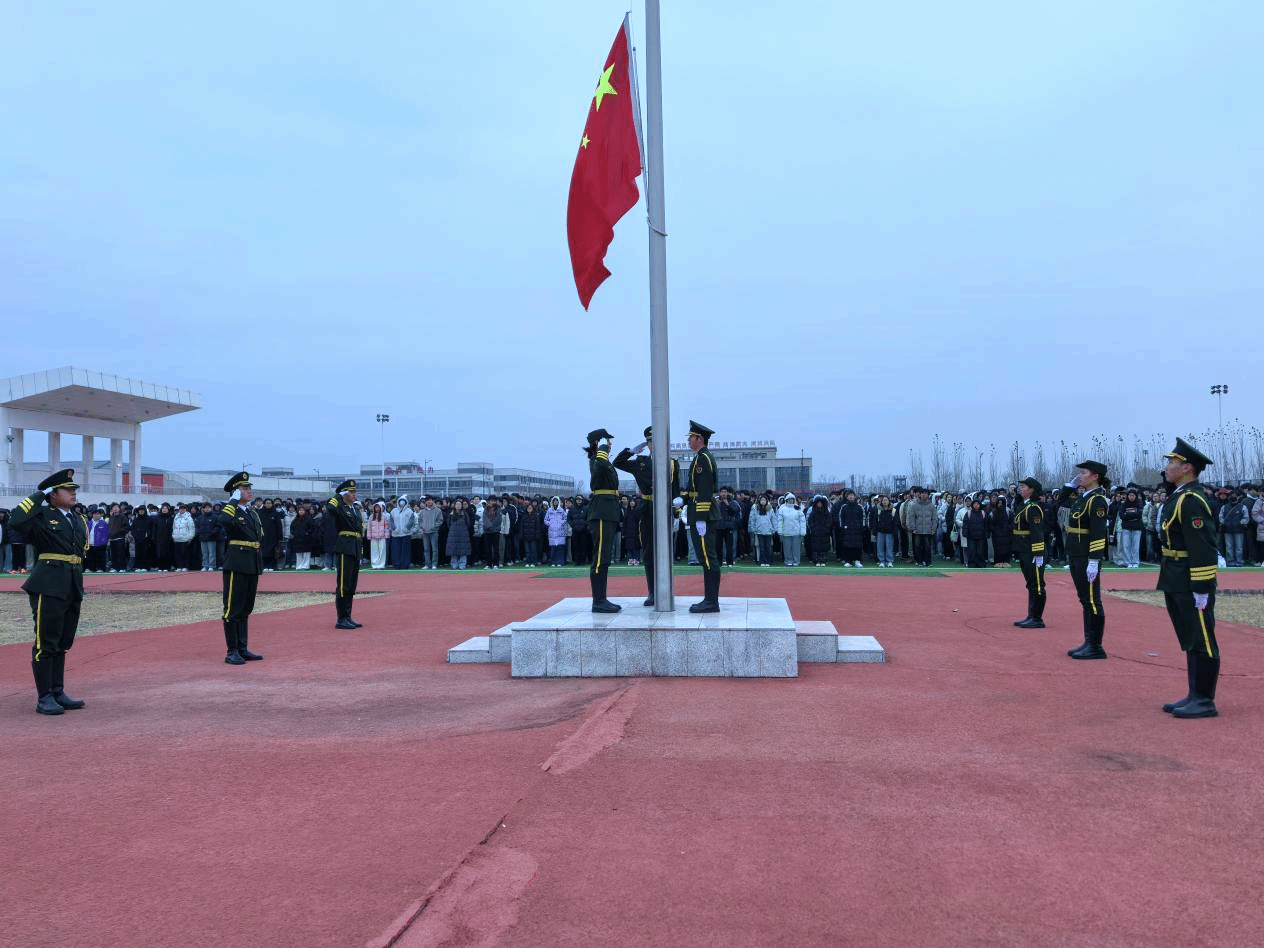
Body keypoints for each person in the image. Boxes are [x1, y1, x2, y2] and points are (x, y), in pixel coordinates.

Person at [11, 469, 89, 714]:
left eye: (74, 489)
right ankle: (44, 697)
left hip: (72, 583)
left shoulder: (77, 519)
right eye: (67, 489)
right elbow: (15, 520)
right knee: (46, 641)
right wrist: (38, 495)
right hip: (49, 583)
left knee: (63, 640)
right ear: (53, 494)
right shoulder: (42, 515)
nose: (73, 493)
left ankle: (57, 691)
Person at [1157, 439, 1221, 718]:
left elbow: (1203, 547)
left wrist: (1202, 586)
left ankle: (1204, 699)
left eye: (1173, 462)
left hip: (1189, 577)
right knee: (1190, 636)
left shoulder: (1191, 500)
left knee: (1202, 636)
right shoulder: (1180, 495)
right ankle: (1194, 693)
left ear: (1187, 468)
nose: (1167, 467)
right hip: (1175, 574)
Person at [613, 425, 680, 605]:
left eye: (656, 441)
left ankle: (666, 590)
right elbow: (617, 463)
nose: (654, 444)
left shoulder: (672, 463)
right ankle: (652, 592)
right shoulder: (640, 462)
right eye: (650, 441)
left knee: (665, 551)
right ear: (647, 444)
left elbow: (676, 489)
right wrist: (630, 452)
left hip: (664, 507)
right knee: (649, 552)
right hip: (648, 508)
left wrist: (677, 508)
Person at [1062, 460, 1111, 660]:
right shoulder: (1084, 497)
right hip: (1076, 553)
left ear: (1095, 476)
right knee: (1085, 599)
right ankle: (1088, 641)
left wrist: (1094, 559)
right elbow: (1062, 503)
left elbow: (1098, 532)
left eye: (1084, 473)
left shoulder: (1097, 500)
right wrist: (1069, 487)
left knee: (1092, 599)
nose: (1080, 476)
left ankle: (1095, 646)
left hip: (1086, 555)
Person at [216, 472, 264, 665]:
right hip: (237, 562)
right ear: (235, 492)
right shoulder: (232, 510)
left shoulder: (251, 512)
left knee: (246, 608)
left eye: (249, 487)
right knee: (233, 609)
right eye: (244, 488)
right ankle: (232, 651)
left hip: (252, 562)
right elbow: (224, 521)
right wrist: (233, 502)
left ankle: (242, 648)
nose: (249, 491)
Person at [683, 420, 721, 612]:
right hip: (699, 512)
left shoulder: (703, 459)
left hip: (703, 514)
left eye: (691, 437)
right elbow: (694, 488)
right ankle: (709, 599)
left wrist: (700, 517)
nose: (689, 440)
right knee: (705, 557)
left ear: (700, 438)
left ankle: (711, 601)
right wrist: (682, 498)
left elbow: (705, 490)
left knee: (707, 558)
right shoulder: (700, 457)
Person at [585, 428, 622, 612]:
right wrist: (602, 450)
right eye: (606, 441)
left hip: (608, 511)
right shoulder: (597, 460)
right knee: (600, 557)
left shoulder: (603, 461)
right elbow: (599, 466)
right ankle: (598, 601)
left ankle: (602, 599)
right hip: (601, 512)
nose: (610, 444)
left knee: (605, 557)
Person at [326, 479, 364, 629]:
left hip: (355, 547)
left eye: (355, 492)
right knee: (343, 584)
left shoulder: (355, 509)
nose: (354, 494)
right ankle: (341, 618)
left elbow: (359, 529)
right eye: (351, 492)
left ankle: (348, 616)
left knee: (351, 584)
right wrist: (338, 495)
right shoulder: (339, 507)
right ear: (344, 494)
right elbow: (330, 507)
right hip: (345, 547)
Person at [1012, 477, 1048, 628]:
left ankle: (1037, 618)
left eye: (1024, 486)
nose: (1021, 488)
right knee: (1031, 583)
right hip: (1024, 549)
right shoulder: (1024, 505)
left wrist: (1038, 554)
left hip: (1032, 551)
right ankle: (1031, 615)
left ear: (1032, 490)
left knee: (1037, 584)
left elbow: (1037, 532)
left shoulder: (1033, 508)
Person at [748, 494, 778, 566]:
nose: (763, 501)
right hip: (759, 530)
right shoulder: (755, 508)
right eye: (761, 500)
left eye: (764, 500)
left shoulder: (770, 508)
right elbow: (752, 519)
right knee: (761, 547)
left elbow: (773, 519)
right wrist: (753, 528)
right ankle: (762, 561)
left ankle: (768, 561)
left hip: (768, 530)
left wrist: (774, 529)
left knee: (768, 547)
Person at [778, 493, 805, 566]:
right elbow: (780, 521)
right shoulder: (782, 509)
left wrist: (803, 532)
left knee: (796, 549)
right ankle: (788, 561)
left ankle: (796, 561)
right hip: (786, 532)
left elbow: (802, 521)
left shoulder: (798, 508)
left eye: (792, 499)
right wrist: (780, 531)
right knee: (787, 548)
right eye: (789, 499)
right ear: (786, 500)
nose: (791, 501)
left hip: (796, 532)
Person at [388, 497, 414, 569]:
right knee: (396, 550)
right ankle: (396, 564)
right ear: (398, 502)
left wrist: (407, 528)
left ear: (406, 502)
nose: (402, 503)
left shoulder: (409, 511)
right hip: (396, 534)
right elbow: (391, 520)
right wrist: (394, 529)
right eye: (400, 501)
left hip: (406, 534)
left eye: (403, 501)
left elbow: (412, 520)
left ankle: (405, 564)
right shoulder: (394, 511)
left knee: (405, 550)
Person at [419, 497, 444, 569]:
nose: (429, 502)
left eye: (430, 500)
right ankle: (427, 564)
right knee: (426, 549)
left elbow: (440, 520)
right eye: (427, 501)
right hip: (425, 532)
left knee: (434, 549)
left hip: (434, 532)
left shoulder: (437, 510)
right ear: (425, 502)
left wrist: (434, 526)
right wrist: (422, 527)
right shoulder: (422, 511)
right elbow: (419, 520)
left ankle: (434, 564)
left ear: (432, 501)